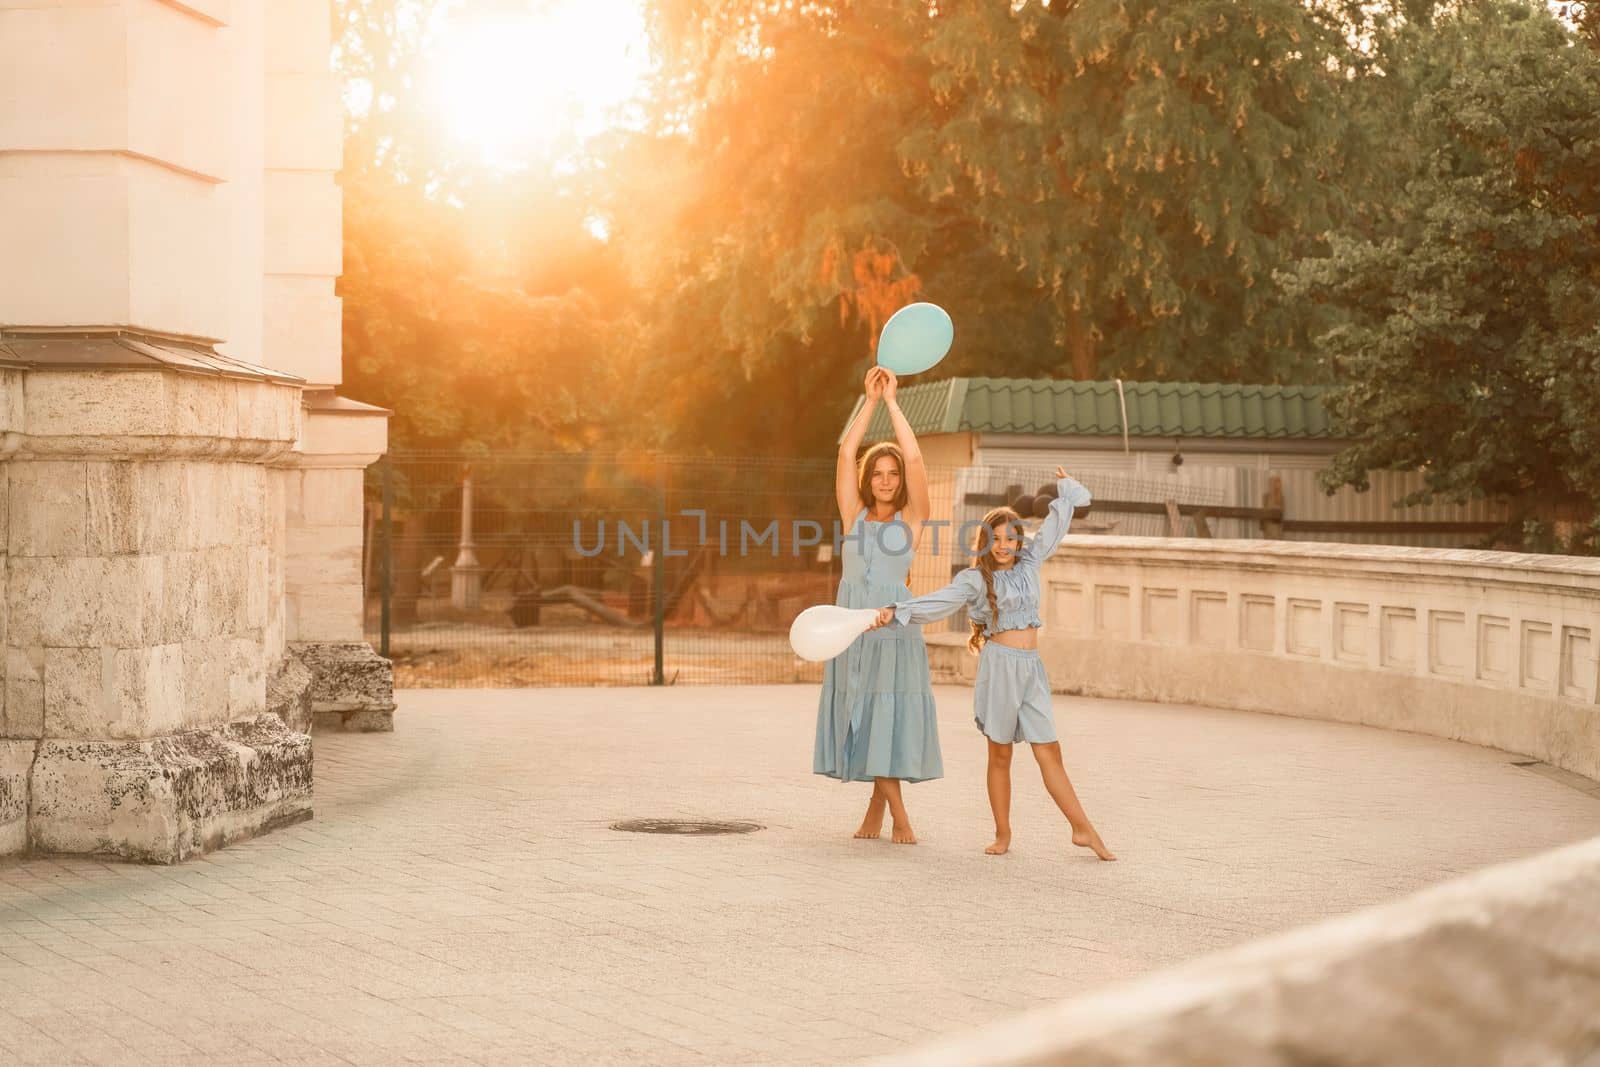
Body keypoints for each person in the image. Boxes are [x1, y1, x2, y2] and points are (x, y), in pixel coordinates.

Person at [869, 467, 1115, 860]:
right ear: (985, 542)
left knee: (1049, 751)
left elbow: (1056, 524)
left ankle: (1082, 829)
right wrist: (895, 611)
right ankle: (1002, 834)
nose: (1004, 546)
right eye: (996, 539)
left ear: (1021, 541)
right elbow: (937, 603)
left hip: (1031, 669)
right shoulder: (974, 578)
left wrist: (1066, 491)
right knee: (1000, 755)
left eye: (1011, 539)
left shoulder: (1031, 563)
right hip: (999, 668)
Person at [813, 366, 942, 844]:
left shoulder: (913, 519)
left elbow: (914, 455)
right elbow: (847, 451)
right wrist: (868, 400)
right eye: (879, 473)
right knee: (860, 711)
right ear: (869, 479)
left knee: (881, 710)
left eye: (893, 474)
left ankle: (899, 818)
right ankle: (876, 812)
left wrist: (893, 403)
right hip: (850, 624)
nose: (887, 480)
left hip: (892, 627)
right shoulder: (854, 514)